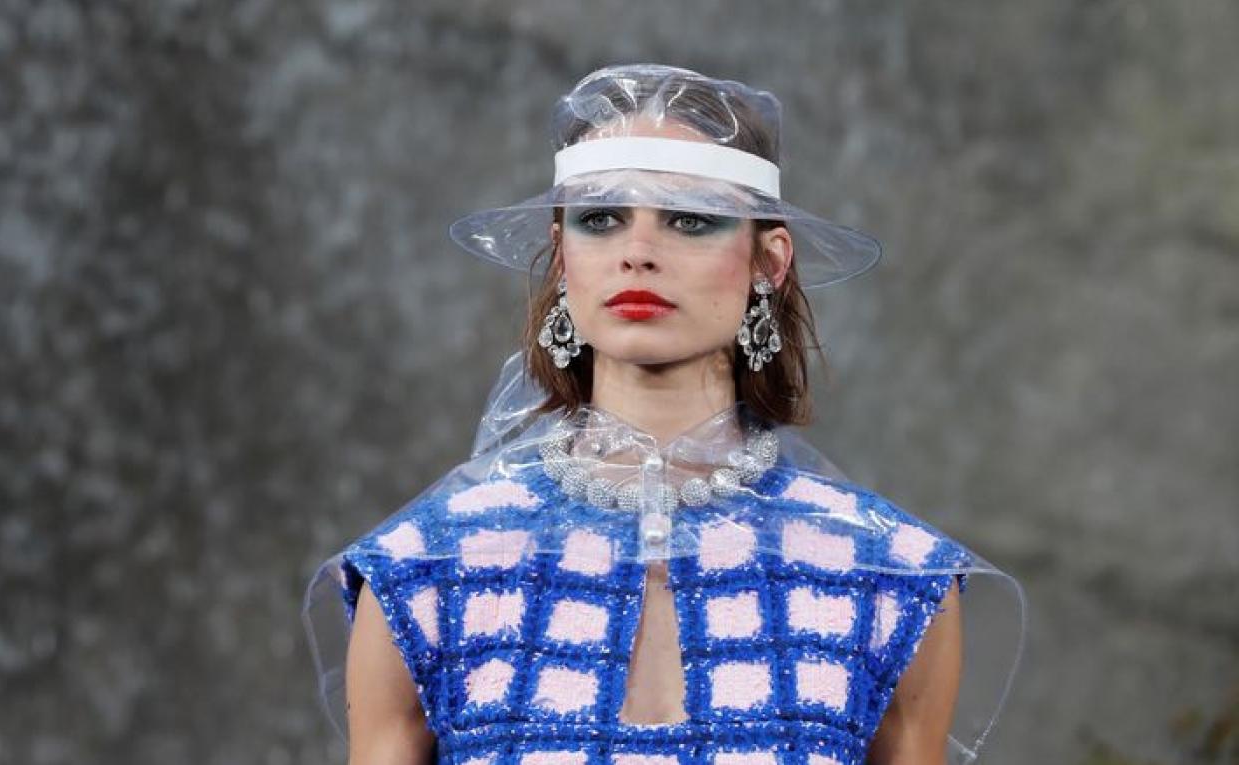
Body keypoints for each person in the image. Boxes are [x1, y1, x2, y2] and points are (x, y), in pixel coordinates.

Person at [303, 63, 1024, 765]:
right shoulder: (426, 569)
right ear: (561, 260)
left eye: (690, 219)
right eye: (601, 219)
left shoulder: (889, 576)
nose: (637, 253)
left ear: (769, 263)